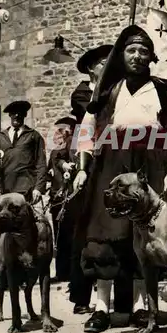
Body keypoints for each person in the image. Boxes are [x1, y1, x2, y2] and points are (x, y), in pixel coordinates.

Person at [73, 24, 167, 333]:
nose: (137, 56)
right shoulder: (109, 88)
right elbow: (88, 128)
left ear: (152, 57)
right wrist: (84, 168)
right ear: (121, 55)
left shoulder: (162, 90)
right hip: (111, 164)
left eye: (143, 51)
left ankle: (141, 308)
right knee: (105, 235)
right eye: (131, 50)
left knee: (145, 236)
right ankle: (101, 309)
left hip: (148, 166)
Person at [68, 45, 113, 314]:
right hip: (88, 161)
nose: (108, 66)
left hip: (111, 159)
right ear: (91, 68)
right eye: (103, 63)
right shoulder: (83, 93)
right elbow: (97, 115)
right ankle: (81, 296)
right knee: (84, 229)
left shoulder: (113, 89)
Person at [0, 100, 47, 204]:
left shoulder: (34, 136)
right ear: (10, 115)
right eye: (13, 114)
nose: (16, 116)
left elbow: (41, 164)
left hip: (26, 189)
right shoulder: (0, 137)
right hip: (4, 189)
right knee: (4, 218)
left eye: (20, 114)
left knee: (29, 218)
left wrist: (38, 188)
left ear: (25, 115)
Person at [47, 116, 77, 283]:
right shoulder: (54, 153)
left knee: (72, 236)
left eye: (62, 130)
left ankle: (73, 274)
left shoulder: (74, 145)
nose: (59, 134)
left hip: (72, 198)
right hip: (57, 199)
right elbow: (48, 170)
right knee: (60, 237)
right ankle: (62, 273)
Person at [71, 44, 113, 124]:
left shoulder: (115, 88)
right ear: (90, 68)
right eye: (104, 64)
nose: (110, 68)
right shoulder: (80, 95)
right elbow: (94, 114)